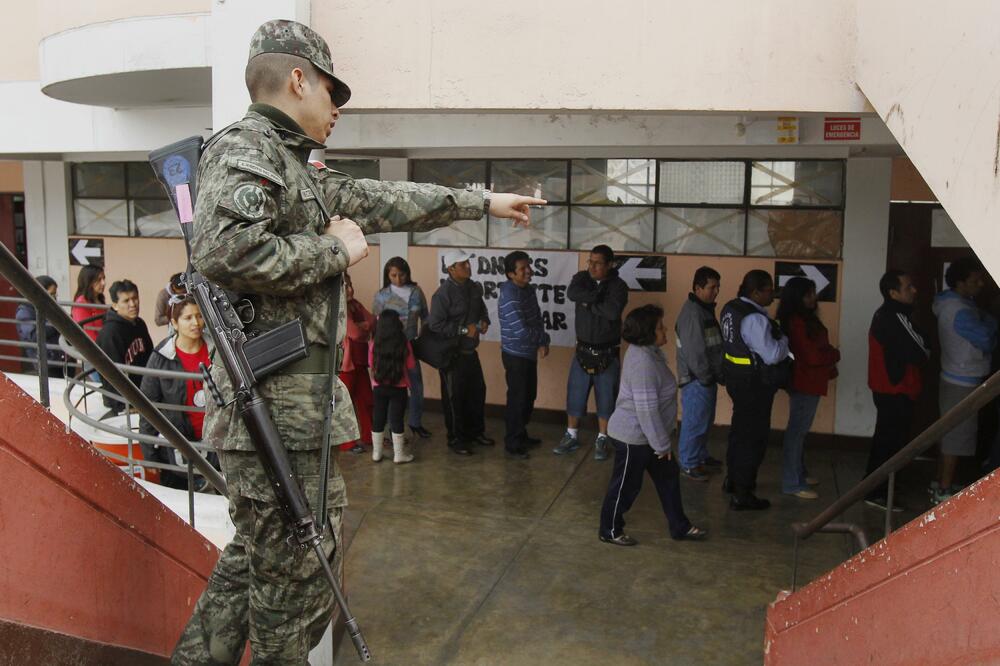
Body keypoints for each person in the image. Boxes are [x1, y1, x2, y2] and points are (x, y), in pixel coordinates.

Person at [171, 19, 544, 664]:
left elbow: (389, 198)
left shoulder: (294, 167)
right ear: (297, 79)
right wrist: (333, 249)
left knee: (259, 560)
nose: (338, 107)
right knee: (290, 584)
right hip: (270, 414)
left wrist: (483, 202)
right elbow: (222, 248)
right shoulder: (248, 151)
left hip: (294, 411)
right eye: (331, 91)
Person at [598, 304, 707, 546]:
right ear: (647, 332)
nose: (665, 329)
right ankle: (610, 529)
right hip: (634, 438)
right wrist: (662, 445)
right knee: (626, 487)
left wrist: (661, 441)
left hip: (651, 437)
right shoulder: (643, 363)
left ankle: (680, 526)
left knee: (668, 478)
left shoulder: (649, 353)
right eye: (659, 327)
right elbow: (646, 411)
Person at [719, 270, 790, 510]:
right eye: (769, 290)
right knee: (753, 438)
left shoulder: (731, 308)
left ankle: (733, 480)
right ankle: (743, 493)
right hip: (754, 384)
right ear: (756, 292)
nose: (773, 295)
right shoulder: (755, 319)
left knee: (739, 431)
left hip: (736, 379)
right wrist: (783, 341)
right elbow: (771, 355)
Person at [931, 257, 995, 503]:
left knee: (948, 432)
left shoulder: (947, 303)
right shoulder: (962, 312)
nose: (980, 285)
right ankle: (944, 489)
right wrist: (989, 323)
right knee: (957, 436)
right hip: (964, 379)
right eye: (975, 281)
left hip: (951, 374)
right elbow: (987, 339)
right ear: (960, 283)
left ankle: (939, 482)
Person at [554, 244, 628, 460]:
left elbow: (613, 312)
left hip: (608, 351)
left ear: (610, 264)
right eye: (590, 261)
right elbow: (572, 293)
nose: (592, 266)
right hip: (582, 349)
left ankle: (603, 438)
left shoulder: (618, 286)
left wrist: (587, 303)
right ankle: (571, 435)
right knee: (575, 394)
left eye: (597, 263)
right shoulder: (581, 278)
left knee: (606, 397)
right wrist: (596, 299)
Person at [864, 270, 929, 511]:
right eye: (908, 287)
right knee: (889, 443)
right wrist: (925, 348)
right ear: (893, 293)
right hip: (894, 389)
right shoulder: (893, 316)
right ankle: (878, 491)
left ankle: (879, 488)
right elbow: (922, 349)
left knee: (888, 441)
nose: (914, 290)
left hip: (892, 388)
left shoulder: (894, 315)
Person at [139, 296, 215, 490]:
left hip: (217, 445)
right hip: (177, 451)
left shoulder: (217, 350)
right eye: (188, 318)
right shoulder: (161, 357)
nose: (196, 323)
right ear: (174, 323)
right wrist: (149, 453)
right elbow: (148, 406)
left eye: (199, 316)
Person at [776, 277, 840, 500]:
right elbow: (812, 356)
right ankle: (792, 482)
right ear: (797, 298)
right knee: (797, 432)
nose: (813, 298)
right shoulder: (796, 322)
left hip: (810, 380)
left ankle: (799, 473)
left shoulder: (805, 319)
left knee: (800, 431)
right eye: (808, 295)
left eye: (813, 293)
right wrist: (834, 354)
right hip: (804, 381)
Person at [426, 249, 494, 455]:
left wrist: (484, 322)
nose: (468, 267)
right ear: (451, 269)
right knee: (455, 399)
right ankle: (456, 438)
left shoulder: (473, 288)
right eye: (462, 264)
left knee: (477, 393)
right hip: (451, 356)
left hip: (470, 352)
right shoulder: (442, 295)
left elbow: (482, 310)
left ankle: (476, 432)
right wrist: (463, 330)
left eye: (467, 263)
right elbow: (435, 325)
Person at [498, 250, 550, 459]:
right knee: (518, 399)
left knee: (529, 397)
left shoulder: (528, 289)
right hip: (515, 354)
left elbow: (536, 317)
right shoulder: (509, 294)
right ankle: (512, 442)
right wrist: (542, 338)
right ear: (511, 274)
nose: (528, 271)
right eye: (523, 269)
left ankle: (521, 433)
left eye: (528, 266)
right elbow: (520, 330)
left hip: (528, 353)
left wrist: (542, 340)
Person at [372, 256, 432, 438]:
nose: (398, 279)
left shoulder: (416, 291)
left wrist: (423, 338)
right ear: (387, 275)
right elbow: (377, 324)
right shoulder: (381, 296)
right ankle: (393, 430)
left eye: (402, 275)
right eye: (393, 275)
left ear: (408, 273)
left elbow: (426, 317)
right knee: (392, 390)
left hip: (411, 345)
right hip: (390, 350)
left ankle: (415, 422)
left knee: (416, 387)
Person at [674, 266, 724, 481]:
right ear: (697, 288)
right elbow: (695, 354)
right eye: (711, 287)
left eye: (717, 287)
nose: (716, 292)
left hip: (705, 378)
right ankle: (688, 463)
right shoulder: (693, 314)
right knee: (694, 422)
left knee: (704, 421)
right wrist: (705, 377)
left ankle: (700, 457)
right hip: (697, 380)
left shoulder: (703, 310)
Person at [96, 279, 154, 415]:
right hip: (123, 407)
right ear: (115, 305)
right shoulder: (109, 334)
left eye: (135, 298)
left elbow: (151, 357)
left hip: (143, 396)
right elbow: (112, 376)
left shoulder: (139, 323)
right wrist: (126, 405)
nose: (133, 304)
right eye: (126, 301)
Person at [369, 310, 416, 464]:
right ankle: (399, 455)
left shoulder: (374, 342)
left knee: (378, 418)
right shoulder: (404, 342)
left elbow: (370, 364)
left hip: (378, 386)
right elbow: (411, 365)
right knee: (396, 419)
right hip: (399, 387)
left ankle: (377, 453)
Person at [338, 273, 375, 454]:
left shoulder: (355, 305)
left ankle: (370, 436)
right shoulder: (339, 308)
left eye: (350, 284)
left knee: (367, 400)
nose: (350, 289)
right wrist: (363, 327)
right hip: (347, 365)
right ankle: (346, 443)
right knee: (346, 404)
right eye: (345, 286)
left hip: (360, 363)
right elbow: (356, 333)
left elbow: (372, 321)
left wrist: (363, 326)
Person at [16, 274, 65, 378]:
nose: (54, 298)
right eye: (51, 294)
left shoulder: (48, 306)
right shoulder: (25, 311)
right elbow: (34, 335)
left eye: (55, 295)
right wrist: (56, 324)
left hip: (59, 357)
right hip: (46, 360)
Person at [71, 264, 106, 342]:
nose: (104, 283)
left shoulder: (99, 298)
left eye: (104, 278)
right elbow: (88, 335)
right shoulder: (81, 304)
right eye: (99, 280)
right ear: (88, 281)